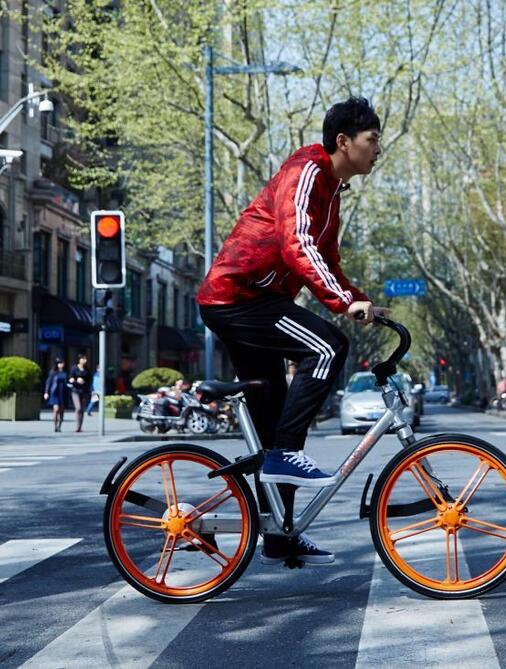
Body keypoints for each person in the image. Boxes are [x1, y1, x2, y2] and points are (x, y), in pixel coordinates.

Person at [197, 97, 387, 566]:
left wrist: (358, 300)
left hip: (259, 302)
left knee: (277, 426)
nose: (378, 149)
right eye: (372, 140)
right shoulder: (308, 172)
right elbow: (297, 243)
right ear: (344, 142)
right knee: (327, 348)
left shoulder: (332, 191)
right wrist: (343, 306)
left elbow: (327, 258)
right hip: (236, 298)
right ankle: (282, 455)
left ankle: (280, 532)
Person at [67, 353, 91, 432]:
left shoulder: (87, 369)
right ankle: (77, 426)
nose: (85, 360)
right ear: (80, 360)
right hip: (75, 390)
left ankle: (80, 426)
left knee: (82, 409)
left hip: (84, 391)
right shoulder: (74, 368)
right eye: (83, 359)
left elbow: (89, 380)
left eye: (86, 359)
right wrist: (76, 381)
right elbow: (70, 378)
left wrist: (84, 382)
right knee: (78, 408)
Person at [44, 359, 69, 432]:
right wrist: (46, 392)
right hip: (55, 392)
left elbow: (67, 382)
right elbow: (48, 382)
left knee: (61, 411)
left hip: (63, 393)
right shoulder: (53, 372)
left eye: (62, 363)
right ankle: (55, 426)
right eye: (59, 363)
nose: (61, 365)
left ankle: (59, 426)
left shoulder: (65, 373)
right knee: (56, 409)